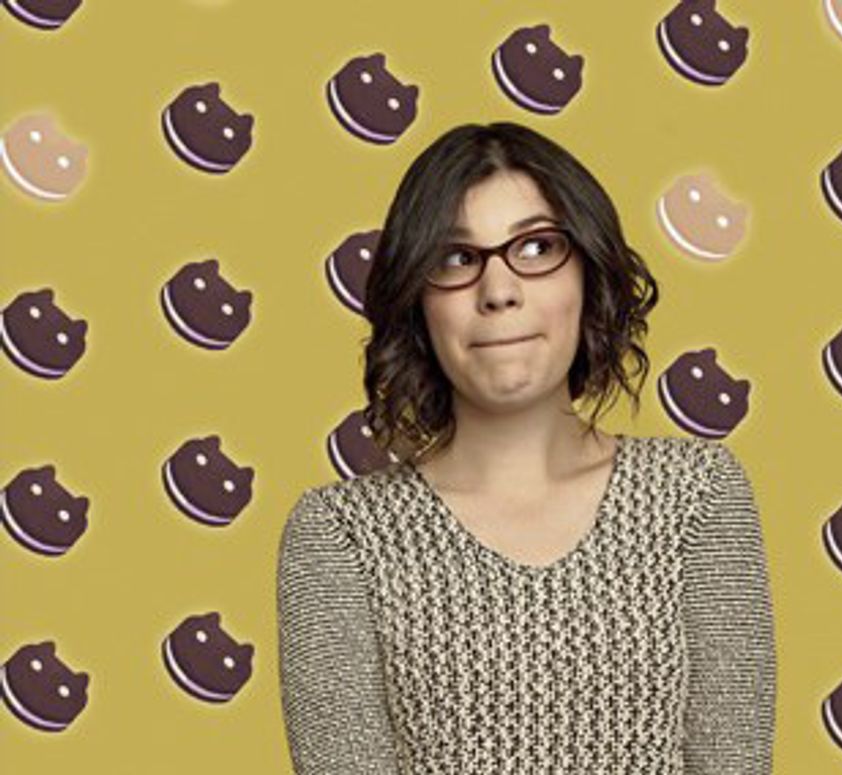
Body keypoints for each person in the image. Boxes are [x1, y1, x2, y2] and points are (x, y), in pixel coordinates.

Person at [276, 121, 777, 774]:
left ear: (588, 273)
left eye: (536, 247)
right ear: (417, 302)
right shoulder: (340, 536)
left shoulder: (698, 496)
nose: (499, 290)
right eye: (456, 259)